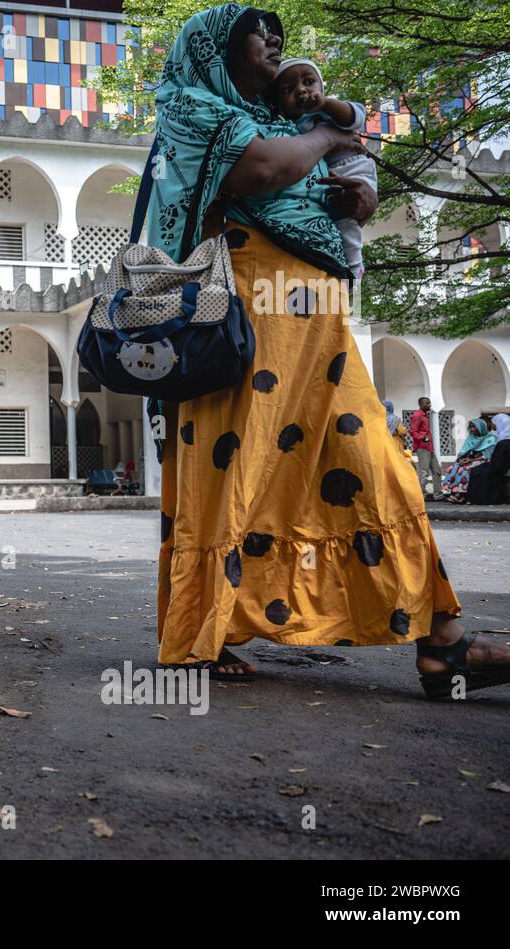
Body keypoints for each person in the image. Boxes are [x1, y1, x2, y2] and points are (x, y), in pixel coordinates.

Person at [151, 5, 509, 699]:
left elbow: (332, 174)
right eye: (262, 36)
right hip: (246, 323)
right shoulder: (191, 107)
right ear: (217, 50)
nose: (278, 47)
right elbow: (259, 170)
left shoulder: (282, 118)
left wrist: (355, 197)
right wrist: (325, 131)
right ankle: (206, 627)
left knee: (372, 460)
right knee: (237, 465)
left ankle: (443, 642)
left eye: (282, 38)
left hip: (317, 326)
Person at [269, 58, 375, 282]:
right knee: (337, 218)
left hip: (353, 168)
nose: (301, 90)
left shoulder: (327, 113)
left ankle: (355, 267)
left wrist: (326, 103)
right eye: (288, 89)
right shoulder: (287, 127)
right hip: (329, 179)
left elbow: (356, 116)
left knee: (348, 223)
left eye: (309, 81)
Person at [441, 419, 498, 504]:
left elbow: (487, 456)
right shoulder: (471, 438)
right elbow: (465, 451)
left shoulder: (490, 438)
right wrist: (462, 459)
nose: (472, 429)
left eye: (474, 427)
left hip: (482, 461)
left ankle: (462, 495)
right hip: (470, 460)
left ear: (481, 427)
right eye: (470, 427)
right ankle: (455, 493)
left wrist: (470, 460)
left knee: (465, 469)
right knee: (454, 467)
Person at [467, 414, 510, 505]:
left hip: (499, 467)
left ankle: (479, 499)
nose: (493, 425)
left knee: (477, 471)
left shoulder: (501, 440)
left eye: (494, 423)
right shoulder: (502, 437)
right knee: (478, 470)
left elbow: (498, 461)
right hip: (499, 465)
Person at [410, 397, 443, 499]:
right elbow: (413, 432)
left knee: (437, 471)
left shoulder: (425, 416)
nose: (429, 405)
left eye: (429, 403)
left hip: (429, 447)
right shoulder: (417, 416)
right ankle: (422, 495)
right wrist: (423, 438)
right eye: (427, 403)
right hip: (422, 447)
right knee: (424, 472)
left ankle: (438, 495)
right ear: (421, 404)